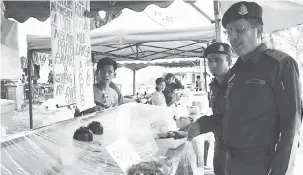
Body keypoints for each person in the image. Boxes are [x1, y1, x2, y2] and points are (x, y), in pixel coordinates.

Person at [220, 2, 301, 175]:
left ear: (258, 31)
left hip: (261, 166)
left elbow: (291, 127)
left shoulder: (280, 65)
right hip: (232, 164)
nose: (233, 36)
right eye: (229, 31)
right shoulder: (236, 69)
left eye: (239, 29)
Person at [184, 42, 233, 175]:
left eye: (218, 60)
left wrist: (203, 124)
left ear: (229, 61)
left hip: (236, 144)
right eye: (210, 61)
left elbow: (232, 117)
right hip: (219, 140)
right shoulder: (214, 85)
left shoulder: (237, 84)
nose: (212, 64)